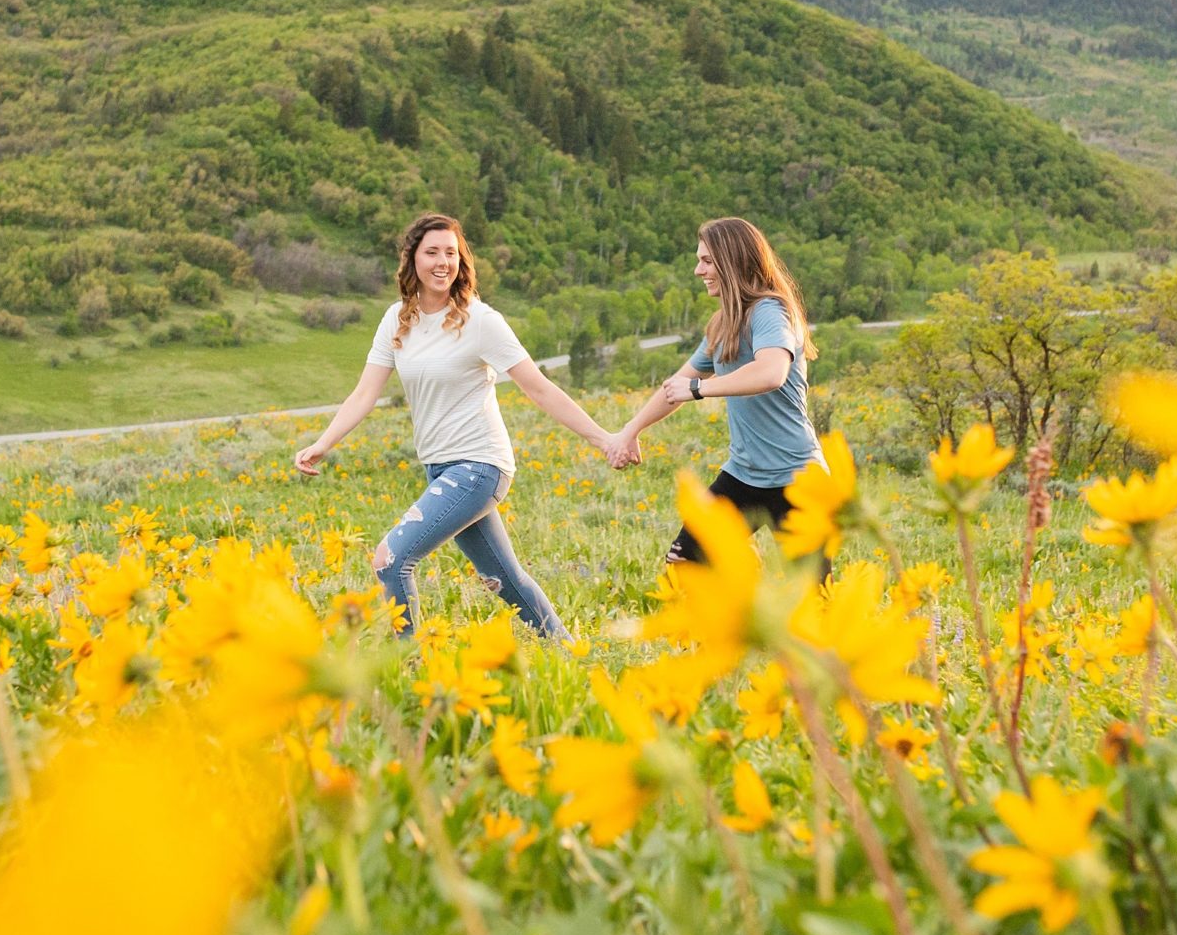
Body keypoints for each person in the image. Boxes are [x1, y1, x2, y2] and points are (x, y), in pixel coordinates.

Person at [295, 212, 614, 639]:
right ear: (413, 259)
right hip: (440, 469)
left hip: (480, 465)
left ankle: (407, 666)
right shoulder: (397, 320)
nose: (443, 262)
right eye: (432, 252)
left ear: (462, 262)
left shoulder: (480, 320)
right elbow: (364, 394)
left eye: (452, 253)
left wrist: (603, 439)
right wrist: (323, 443)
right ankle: (568, 649)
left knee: (391, 559)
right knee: (505, 578)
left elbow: (539, 388)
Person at [611, 216, 825, 565]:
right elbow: (674, 387)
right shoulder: (724, 324)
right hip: (744, 475)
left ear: (734, 261)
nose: (699, 270)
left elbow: (771, 372)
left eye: (707, 261)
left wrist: (700, 389)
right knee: (685, 564)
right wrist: (631, 430)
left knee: (816, 599)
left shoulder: (770, 311)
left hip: (797, 478)